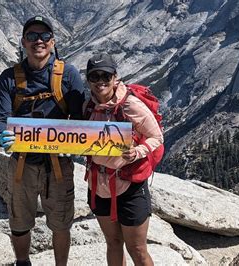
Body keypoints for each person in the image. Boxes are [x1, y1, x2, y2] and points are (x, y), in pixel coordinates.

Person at [0, 15, 85, 266]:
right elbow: (1, 118)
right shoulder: (9, 78)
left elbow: (80, 119)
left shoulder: (68, 75)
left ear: (53, 42)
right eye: (32, 36)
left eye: (44, 36)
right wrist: (3, 135)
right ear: (23, 42)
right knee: (20, 222)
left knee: (61, 222)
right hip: (22, 163)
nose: (39, 41)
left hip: (59, 163)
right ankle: (23, 263)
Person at [83, 53, 164, 266]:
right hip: (99, 185)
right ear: (88, 80)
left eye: (105, 76)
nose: (100, 81)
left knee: (137, 248)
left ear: (115, 77)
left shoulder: (130, 105)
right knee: (113, 242)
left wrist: (137, 152)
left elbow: (157, 137)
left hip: (130, 186)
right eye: (94, 76)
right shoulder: (88, 107)